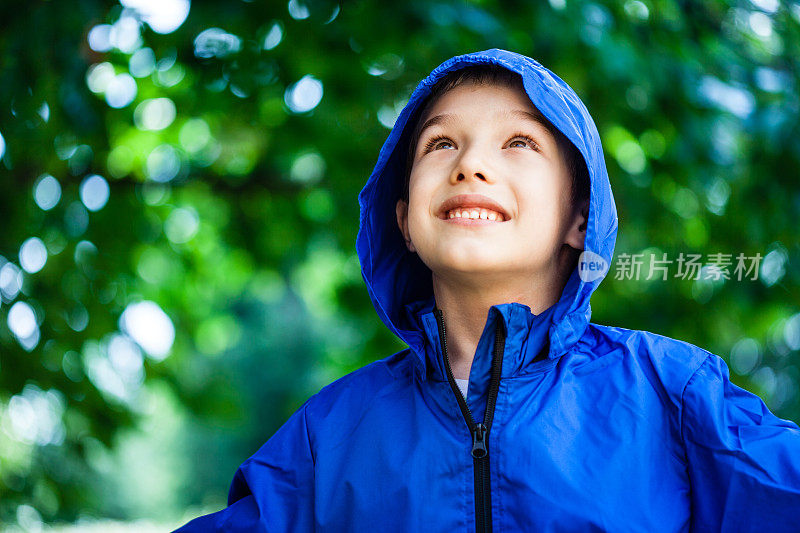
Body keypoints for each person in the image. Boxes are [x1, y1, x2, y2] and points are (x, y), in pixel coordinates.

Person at [174, 48, 800, 532]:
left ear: (579, 218)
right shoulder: (326, 438)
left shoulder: (674, 395)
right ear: (404, 221)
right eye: (440, 142)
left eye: (520, 142)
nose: (470, 164)